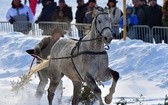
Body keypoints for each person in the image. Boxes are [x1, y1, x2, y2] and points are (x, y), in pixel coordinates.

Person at [34, 27, 65, 99]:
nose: (58, 36)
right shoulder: (47, 40)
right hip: (42, 65)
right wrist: (37, 49)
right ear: (53, 35)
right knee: (44, 81)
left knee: (59, 82)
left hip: (54, 68)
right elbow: (38, 45)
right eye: (56, 34)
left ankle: (59, 100)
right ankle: (37, 99)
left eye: (59, 35)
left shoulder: (61, 44)